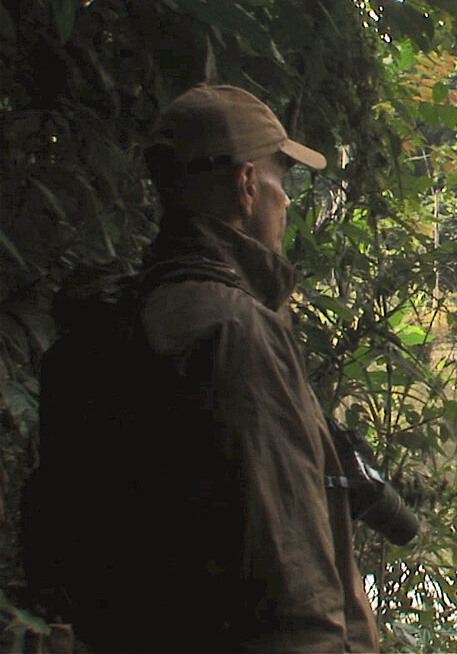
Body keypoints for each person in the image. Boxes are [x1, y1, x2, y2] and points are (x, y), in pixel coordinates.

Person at [22, 84, 404, 651]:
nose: (287, 199)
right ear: (247, 185)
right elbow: (292, 585)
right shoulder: (233, 332)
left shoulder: (127, 315)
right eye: (281, 179)